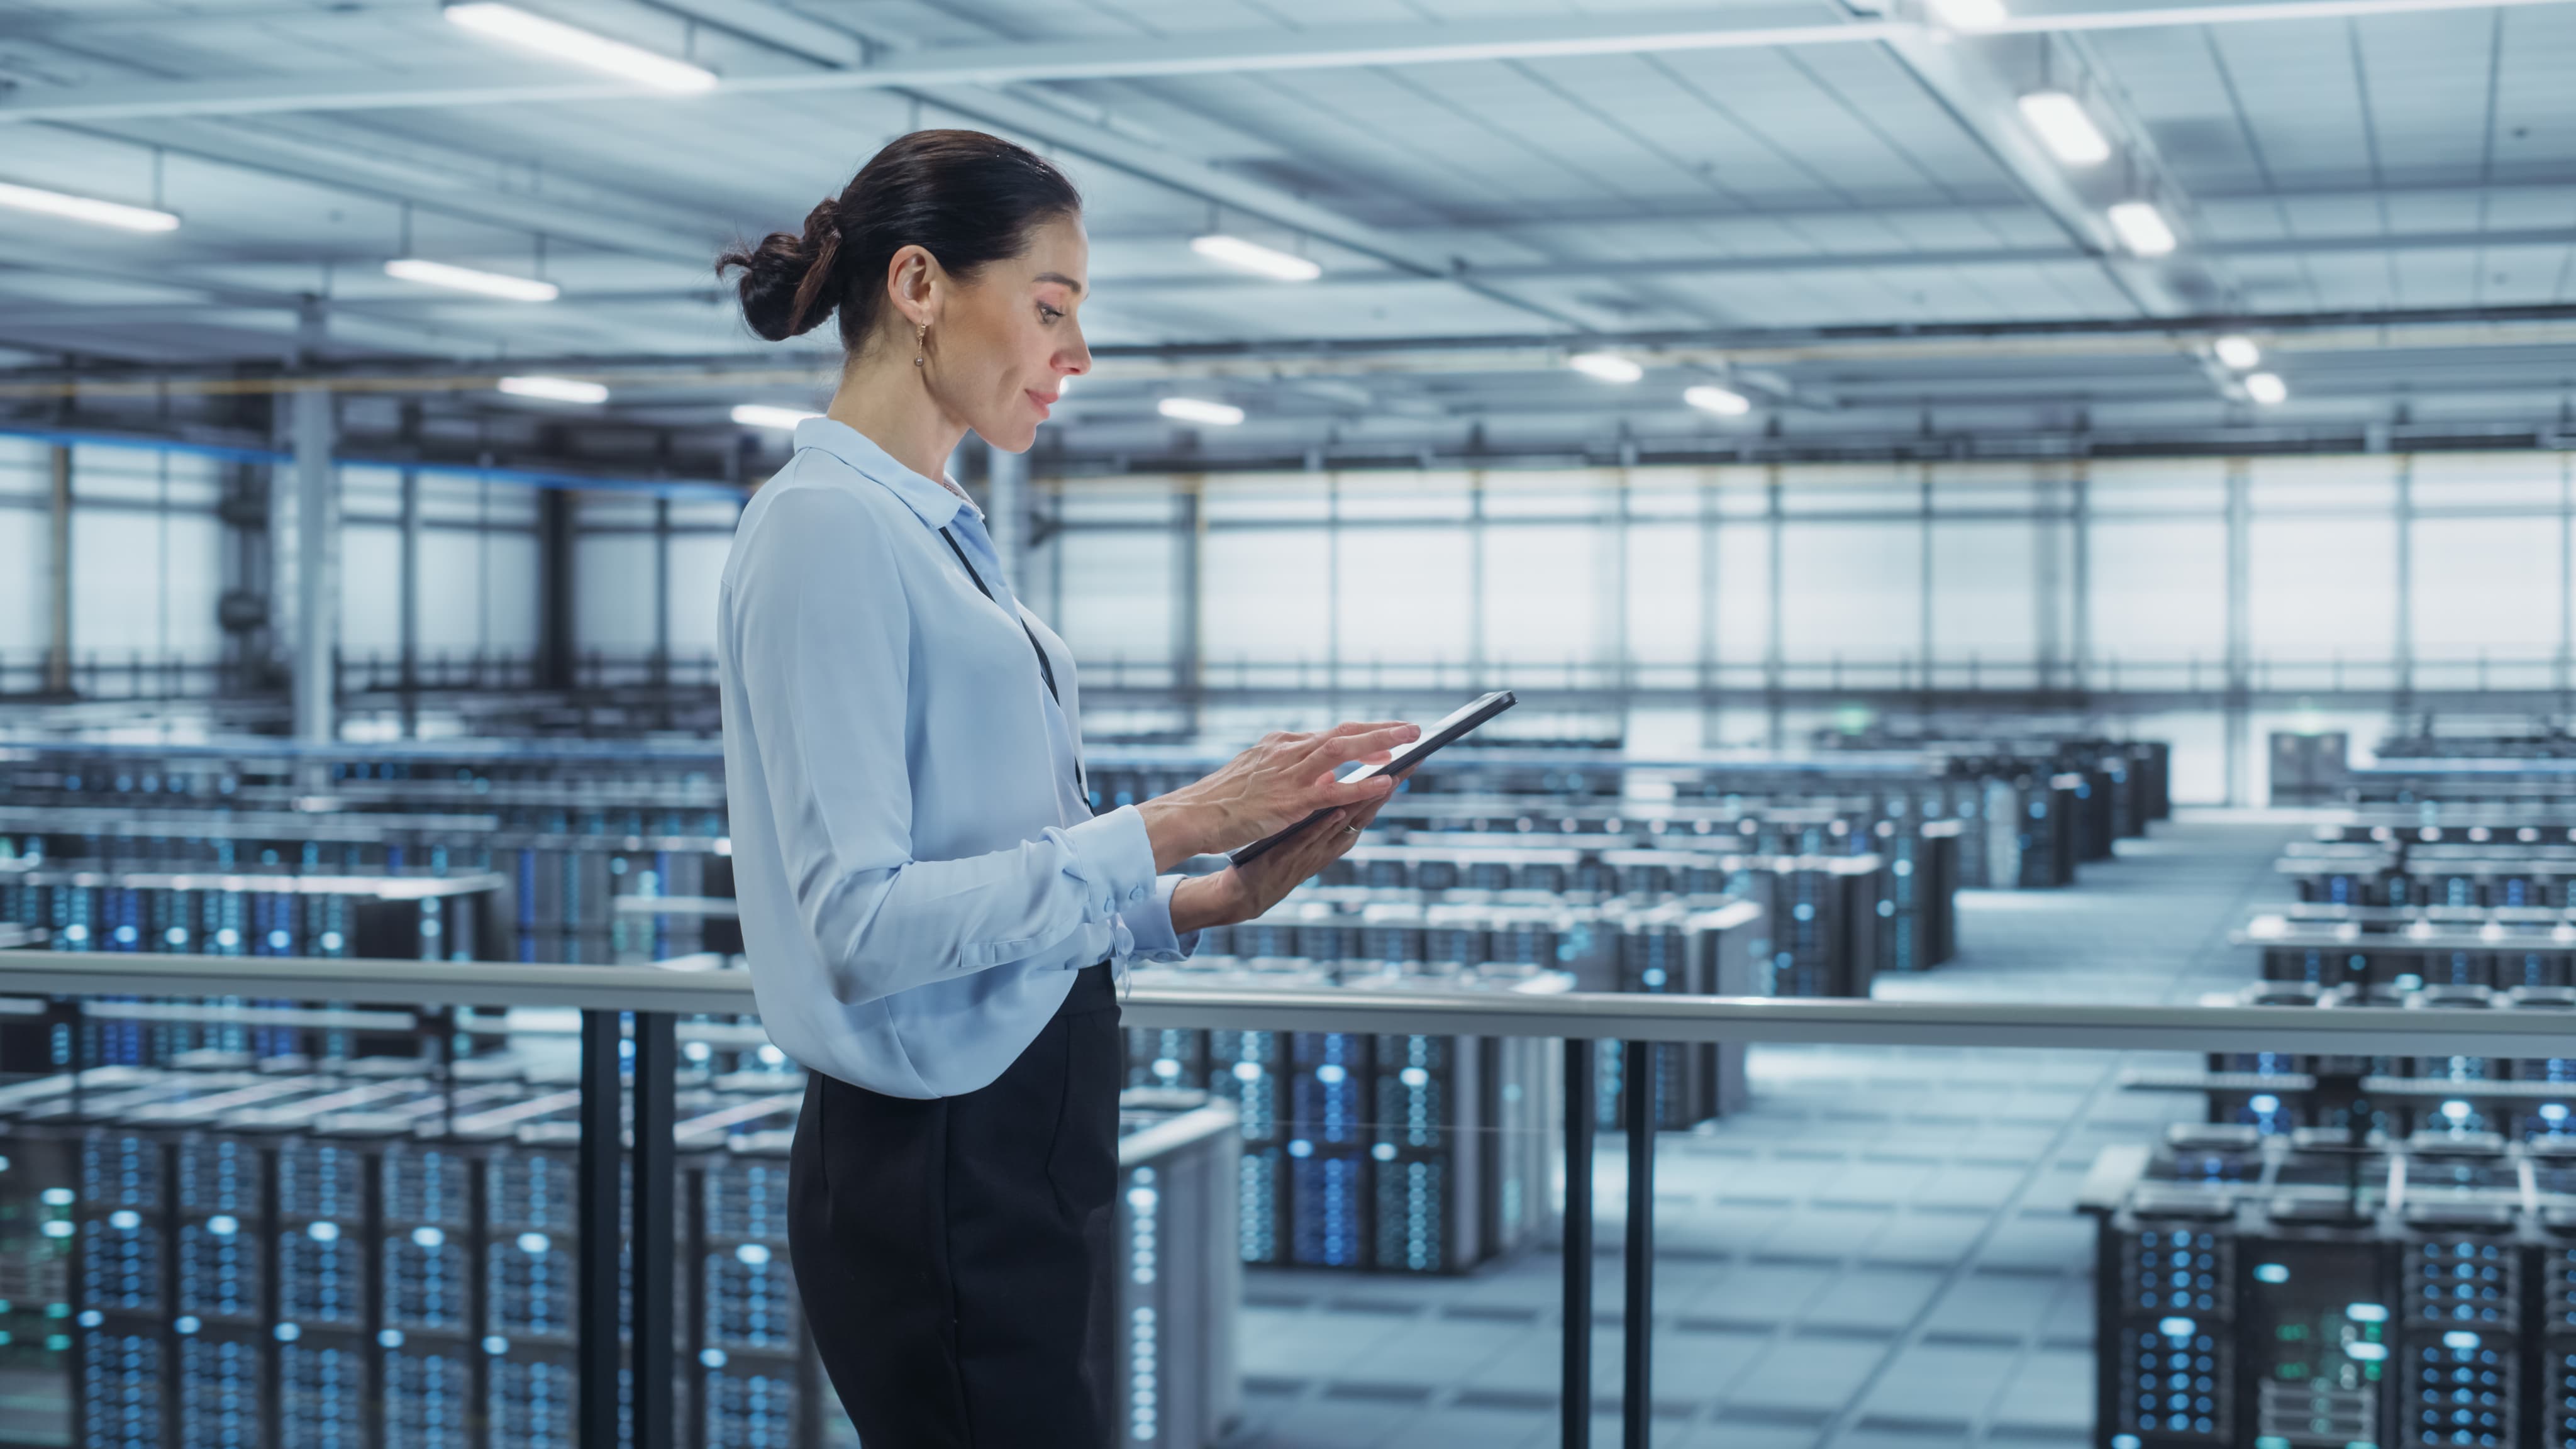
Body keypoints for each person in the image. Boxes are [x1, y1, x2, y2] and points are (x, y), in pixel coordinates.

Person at [711, 130, 1415, 1448]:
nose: (1078, 353)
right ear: (919, 286)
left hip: (1008, 1139)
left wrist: (1201, 896)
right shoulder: (827, 528)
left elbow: (993, 867)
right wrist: (1178, 820)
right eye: (1051, 308)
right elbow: (861, 926)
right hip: (938, 1161)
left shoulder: (928, 530)